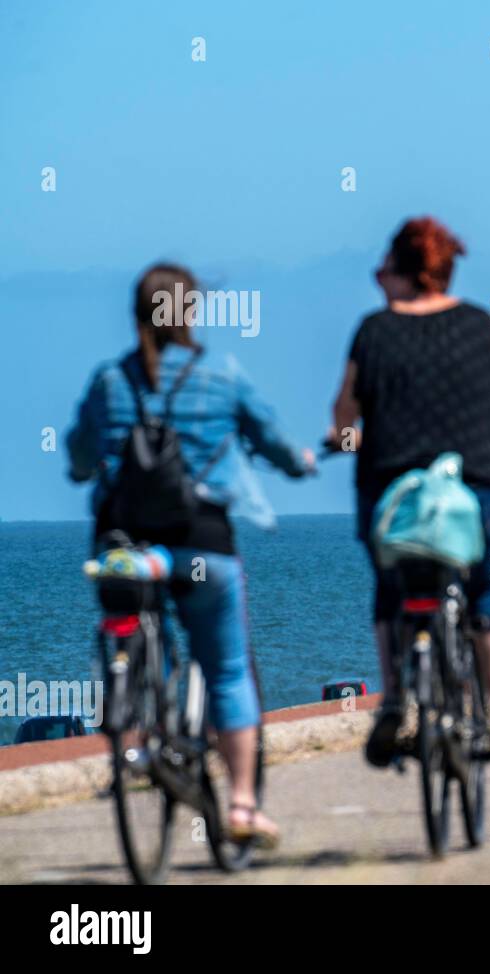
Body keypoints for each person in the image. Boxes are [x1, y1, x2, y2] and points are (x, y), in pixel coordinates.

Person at [67, 263, 315, 847]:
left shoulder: (110, 381)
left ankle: (136, 723)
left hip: (124, 544)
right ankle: (244, 807)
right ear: (191, 314)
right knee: (228, 669)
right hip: (202, 544)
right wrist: (301, 462)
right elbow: (274, 443)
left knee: (129, 619)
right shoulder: (220, 373)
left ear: (136, 316)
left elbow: (80, 458)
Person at [329, 216, 490, 762]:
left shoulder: (373, 332)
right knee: (486, 590)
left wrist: (345, 439)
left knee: (390, 590)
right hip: (467, 490)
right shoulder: (482, 327)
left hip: (392, 491)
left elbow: (344, 413)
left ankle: (393, 703)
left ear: (403, 272)